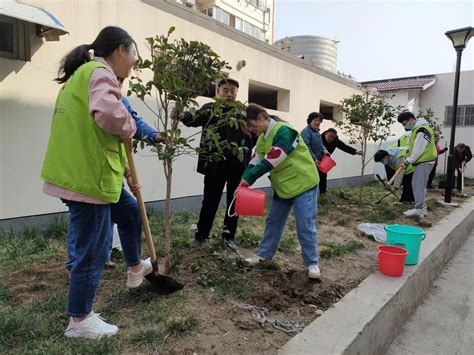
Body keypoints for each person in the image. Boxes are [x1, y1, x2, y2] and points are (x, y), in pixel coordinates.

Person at [41, 26, 152, 339]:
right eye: (133, 57)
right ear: (120, 50)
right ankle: (80, 320)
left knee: (129, 213)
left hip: (90, 174)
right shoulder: (100, 73)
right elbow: (109, 115)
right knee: (94, 249)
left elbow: (97, 126)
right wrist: (129, 126)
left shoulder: (82, 74)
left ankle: (134, 269)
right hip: (87, 179)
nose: (133, 65)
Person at [65, 95, 164, 271]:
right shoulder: (88, 98)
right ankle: (77, 266)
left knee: (125, 213)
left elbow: (129, 129)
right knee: (84, 221)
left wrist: (154, 136)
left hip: (109, 175)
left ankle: (124, 263)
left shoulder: (119, 100)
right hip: (85, 175)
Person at [240, 104, 321, 279]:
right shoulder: (262, 138)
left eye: (251, 125)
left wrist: (249, 179)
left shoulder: (285, 131)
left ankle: (312, 262)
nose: (251, 130)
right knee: (273, 221)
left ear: (261, 117)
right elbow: (256, 160)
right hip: (283, 185)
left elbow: (273, 158)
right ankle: (264, 254)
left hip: (303, 182)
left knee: (305, 223)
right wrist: (243, 181)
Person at [173, 78, 254, 251]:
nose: (230, 94)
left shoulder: (241, 112)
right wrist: (181, 115)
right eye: (226, 90)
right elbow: (193, 118)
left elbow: (252, 134)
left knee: (234, 203)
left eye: (233, 91)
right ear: (218, 90)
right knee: (209, 202)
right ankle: (201, 236)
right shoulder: (210, 109)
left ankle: (228, 237)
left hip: (237, 167)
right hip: (214, 166)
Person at [396, 111, 437, 218]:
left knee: (418, 185)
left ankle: (419, 210)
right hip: (422, 161)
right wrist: (408, 161)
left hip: (424, 161)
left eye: (405, 123)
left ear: (410, 119)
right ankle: (421, 208)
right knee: (417, 184)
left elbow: (418, 150)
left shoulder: (422, 130)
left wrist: (407, 161)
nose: (405, 126)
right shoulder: (417, 129)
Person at [319, 128, 362, 193]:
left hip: (325, 161)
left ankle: (323, 194)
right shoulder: (318, 138)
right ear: (326, 134)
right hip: (316, 159)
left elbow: (344, 147)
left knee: (323, 176)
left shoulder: (336, 141)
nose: (330, 139)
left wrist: (355, 151)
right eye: (329, 136)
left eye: (333, 137)